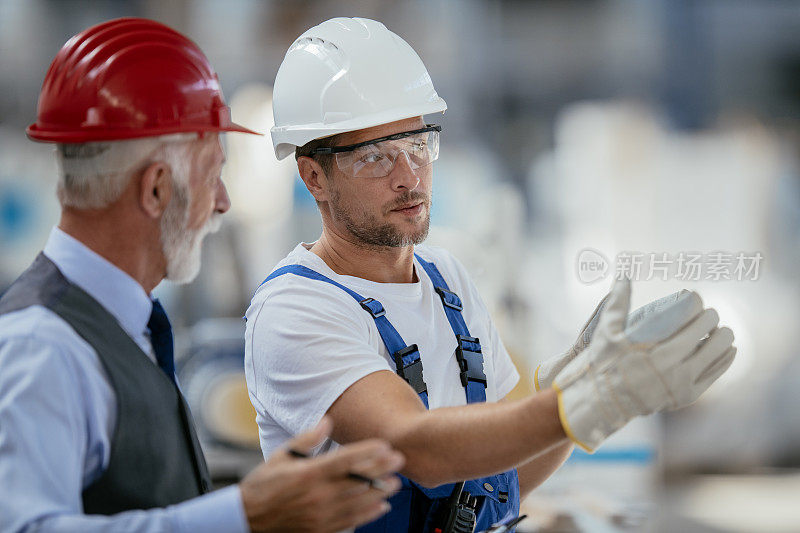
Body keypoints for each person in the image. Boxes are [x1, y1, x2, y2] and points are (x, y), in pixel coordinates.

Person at [245, 17, 737, 532]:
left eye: (417, 145)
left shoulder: (447, 280)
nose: (409, 177)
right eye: (375, 158)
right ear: (313, 177)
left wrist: (574, 397)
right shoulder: (295, 310)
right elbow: (415, 448)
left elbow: (501, 480)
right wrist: (580, 404)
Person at [0, 17, 403, 533]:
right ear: (156, 190)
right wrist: (245, 514)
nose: (223, 202)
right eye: (213, 173)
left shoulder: (122, 329)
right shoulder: (41, 345)